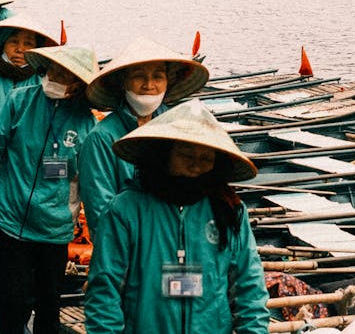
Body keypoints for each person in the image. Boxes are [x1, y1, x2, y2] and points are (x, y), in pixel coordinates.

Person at [83, 99, 270, 334]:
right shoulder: (126, 209)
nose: (196, 166)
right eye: (186, 155)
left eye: (206, 158)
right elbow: (104, 291)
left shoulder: (228, 209)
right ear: (165, 154)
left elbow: (249, 288)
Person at [0, 44, 99, 334]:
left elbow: (92, 189)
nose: (59, 77)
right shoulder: (19, 101)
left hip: (55, 231)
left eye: (68, 75)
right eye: (55, 69)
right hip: (11, 223)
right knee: (13, 305)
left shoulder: (86, 123)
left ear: (80, 84)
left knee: (48, 307)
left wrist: (102, 250)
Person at [0, 15, 59, 330]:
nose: (20, 50)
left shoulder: (41, 84)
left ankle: (14, 311)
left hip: (25, 188)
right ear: (1, 44)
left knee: (21, 262)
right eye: (14, 42)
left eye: (28, 44)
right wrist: (1, 163)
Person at [81, 37, 208, 238]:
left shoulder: (177, 128)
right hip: (127, 247)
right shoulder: (101, 138)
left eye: (158, 76)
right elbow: (100, 212)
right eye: (139, 76)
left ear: (168, 81)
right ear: (123, 81)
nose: (149, 85)